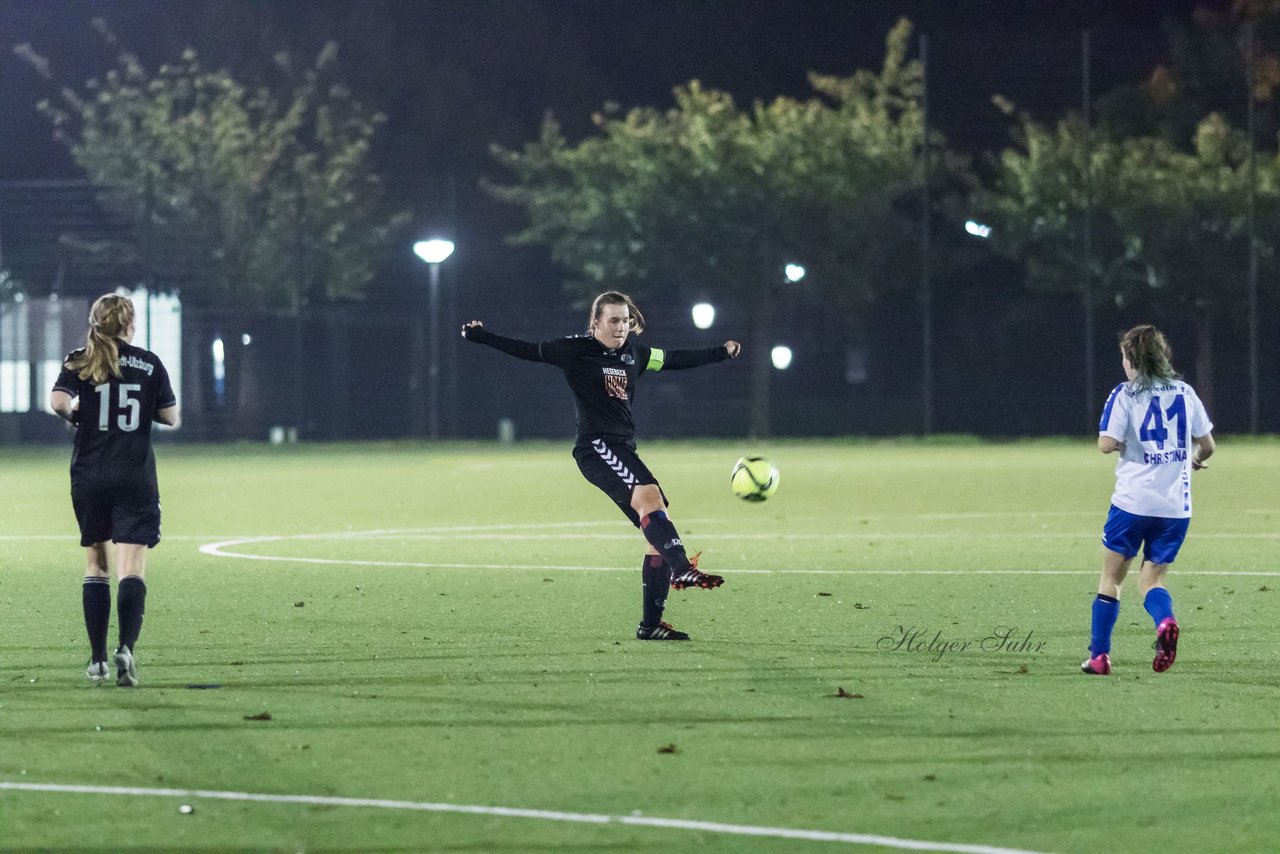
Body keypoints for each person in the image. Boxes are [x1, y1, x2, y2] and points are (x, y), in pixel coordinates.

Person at [462, 290, 741, 640]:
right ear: (595, 322)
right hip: (596, 448)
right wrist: (482, 336)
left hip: (622, 447)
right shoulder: (575, 349)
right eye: (613, 320)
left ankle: (650, 625)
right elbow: (528, 350)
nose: (620, 327)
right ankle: (682, 568)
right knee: (650, 497)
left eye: (625, 320)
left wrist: (721, 353)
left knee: (655, 525)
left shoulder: (634, 354)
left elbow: (672, 358)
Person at [50, 294, 180, 687]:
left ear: (95, 323)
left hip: (90, 474)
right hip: (134, 474)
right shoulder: (148, 362)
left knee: (96, 564)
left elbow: (57, 402)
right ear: (130, 324)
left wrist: (77, 415)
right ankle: (126, 649)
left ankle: (96, 661)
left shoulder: (78, 359)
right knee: (131, 567)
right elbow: (171, 417)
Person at [1082, 324, 1213, 676]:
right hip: (1174, 508)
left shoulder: (1125, 395)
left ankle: (1099, 657)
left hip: (1131, 503)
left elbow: (1106, 443)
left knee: (1111, 580)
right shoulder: (1185, 392)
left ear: (1132, 360)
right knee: (1152, 581)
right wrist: (1192, 460)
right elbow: (1209, 445)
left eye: (1125, 356)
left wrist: (1127, 445)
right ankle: (1165, 620)